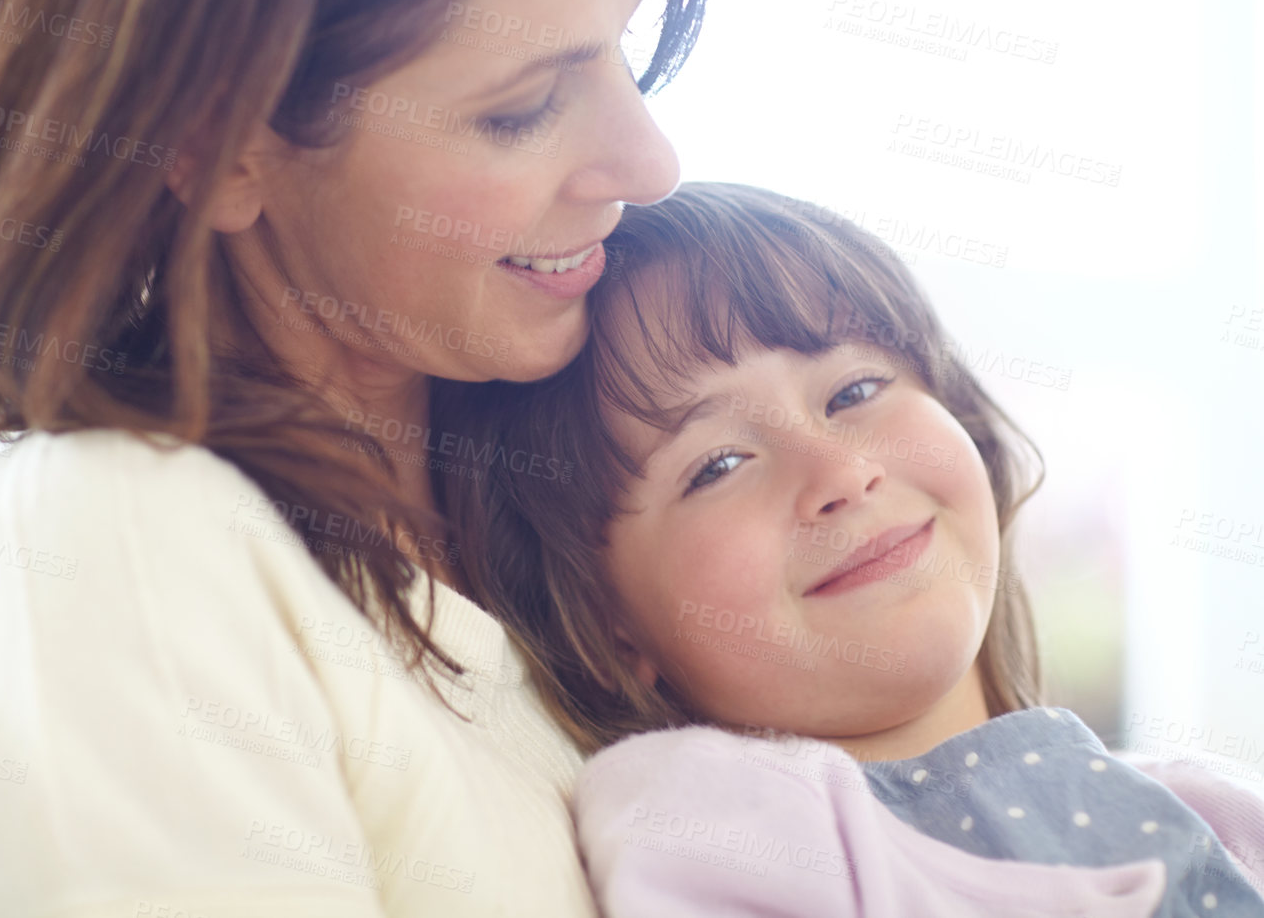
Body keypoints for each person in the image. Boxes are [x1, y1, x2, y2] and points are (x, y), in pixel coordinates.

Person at [0, 0, 709, 913]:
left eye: (619, 48)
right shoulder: (125, 547)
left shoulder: (574, 506)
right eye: (520, 108)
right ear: (219, 141)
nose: (649, 164)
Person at [434, 182, 1264, 916]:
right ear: (609, 622)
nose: (842, 471)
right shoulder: (711, 815)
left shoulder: (1215, 810)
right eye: (717, 465)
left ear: (965, 420)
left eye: (855, 390)